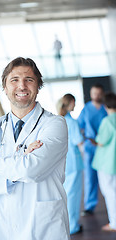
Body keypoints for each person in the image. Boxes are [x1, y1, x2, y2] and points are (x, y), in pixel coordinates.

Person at [0, 57, 70, 240]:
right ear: (4, 88)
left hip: (44, 228)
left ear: (38, 86)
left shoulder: (55, 124)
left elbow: (30, 170)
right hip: (4, 227)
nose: (22, 86)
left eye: (29, 79)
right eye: (14, 80)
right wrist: (19, 161)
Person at [78, 83, 107, 216]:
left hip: (104, 147)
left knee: (108, 176)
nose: (96, 96)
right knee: (90, 177)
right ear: (91, 94)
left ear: (102, 94)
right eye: (94, 93)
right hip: (90, 147)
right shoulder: (86, 109)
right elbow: (79, 127)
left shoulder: (107, 108)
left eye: (99, 93)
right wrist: (85, 140)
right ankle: (89, 205)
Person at [57, 94, 84, 235]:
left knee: (67, 194)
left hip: (65, 163)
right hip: (75, 163)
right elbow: (80, 143)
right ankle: (72, 226)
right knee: (74, 196)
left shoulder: (59, 121)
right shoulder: (72, 123)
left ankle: (68, 224)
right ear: (71, 102)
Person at [91, 92, 116, 232]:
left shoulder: (107, 121)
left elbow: (101, 142)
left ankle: (114, 223)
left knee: (110, 193)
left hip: (108, 163)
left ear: (105, 105)